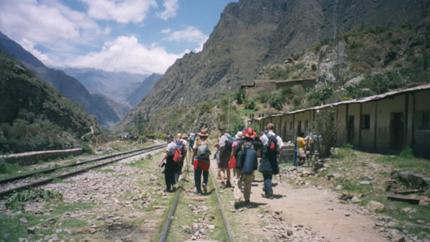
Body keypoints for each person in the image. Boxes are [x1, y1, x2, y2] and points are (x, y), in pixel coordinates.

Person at [234, 127, 261, 205]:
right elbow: (259, 154)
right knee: (248, 183)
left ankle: (237, 198)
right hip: (250, 166)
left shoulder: (240, 143)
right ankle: (247, 199)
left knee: (238, 181)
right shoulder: (256, 144)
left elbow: (235, 153)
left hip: (240, 166)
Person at [259, 123, 283, 198]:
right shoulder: (277, 137)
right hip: (273, 158)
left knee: (266, 176)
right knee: (270, 174)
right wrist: (278, 154)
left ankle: (269, 193)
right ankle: (267, 191)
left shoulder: (263, 137)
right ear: (273, 128)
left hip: (266, 158)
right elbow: (282, 146)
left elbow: (259, 145)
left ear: (267, 128)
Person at [192, 128, 211, 194]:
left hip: (197, 160)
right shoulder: (208, 141)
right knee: (205, 173)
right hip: (206, 160)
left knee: (197, 175)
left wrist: (193, 158)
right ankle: (204, 183)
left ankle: (198, 189)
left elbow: (194, 150)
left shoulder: (197, 141)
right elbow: (209, 151)